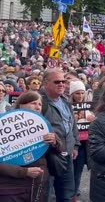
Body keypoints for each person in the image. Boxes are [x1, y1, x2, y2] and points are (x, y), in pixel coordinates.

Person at [0, 91, 62, 202]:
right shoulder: (4, 125)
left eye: (40, 104)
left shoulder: (43, 125)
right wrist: (24, 172)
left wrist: (54, 142)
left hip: (38, 184)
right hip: (11, 188)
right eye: (33, 103)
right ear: (21, 105)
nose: (38, 107)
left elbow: (60, 150)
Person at [41, 69, 79, 202]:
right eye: (57, 82)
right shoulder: (39, 101)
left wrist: (75, 146)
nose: (62, 84)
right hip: (47, 156)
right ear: (46, 83)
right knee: (44, 195)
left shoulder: (65, 101)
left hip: (66, 154)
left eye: (64, 81)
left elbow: (72, 125)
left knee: (66, 195)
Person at [68, 80, 91, 200]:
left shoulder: (89, 108)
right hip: (71, 143)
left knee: (78, 171)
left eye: (82, 93)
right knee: (69, 171)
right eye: (77, 93)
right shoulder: (67, 107)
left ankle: (74, 193)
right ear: (72, 94)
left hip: (84, 144)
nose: (80, 96)